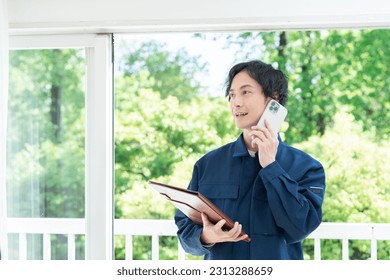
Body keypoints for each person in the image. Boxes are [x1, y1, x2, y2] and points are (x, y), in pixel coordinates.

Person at [174, 60, 326, 260]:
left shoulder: (307, 167)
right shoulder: (207, 165)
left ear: (274, 100)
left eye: (246, 92)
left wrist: (271, 167)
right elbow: (185, 230)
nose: (236, 102)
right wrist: (205, 236)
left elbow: (301, 227)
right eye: (232, 95)